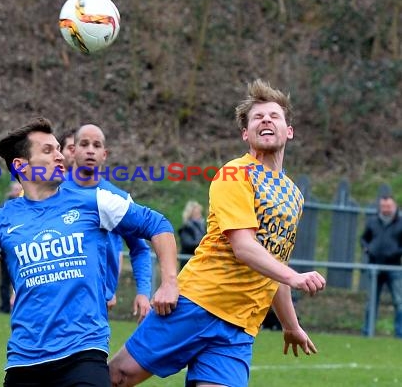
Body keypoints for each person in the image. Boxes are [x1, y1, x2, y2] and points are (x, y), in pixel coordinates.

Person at [109, 79, 326, 387]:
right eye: (257, 117)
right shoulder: (235, 173)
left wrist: (291, 325)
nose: (266, 120)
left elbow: (272, 263)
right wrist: (294, 276)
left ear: (289, 131)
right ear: (246, 134)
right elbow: (244, 247)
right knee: (118, 376)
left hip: (239, 326)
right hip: (199, 303)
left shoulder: (293, 195)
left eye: (274, 116)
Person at [0, 117, 178, 387]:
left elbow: (158, 225)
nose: (60, 156)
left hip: (83, 354)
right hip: (24, 361)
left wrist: (168, 282)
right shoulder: (0, 220)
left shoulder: (95, 202)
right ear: (21, 165)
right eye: (48, 151)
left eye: (59, 149)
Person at [64, 124, 152, 321]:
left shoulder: (117, 199)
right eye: (84, 144)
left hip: (97, 305)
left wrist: (144, 292)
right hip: (54, 301)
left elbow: (140, 249)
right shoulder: (51, 193)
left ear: (104, 154)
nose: (90, 150)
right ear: (72, 150)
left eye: (96, 146)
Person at [360, 195, 402, 338]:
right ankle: (367, 332)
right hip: (374, 267)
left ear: (394, 206)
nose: (386, 209)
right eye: (383, 206)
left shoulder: (400, 223)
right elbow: (364, 239)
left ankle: (399, 334)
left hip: (394, 268)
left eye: (388, 206)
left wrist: (395, 252)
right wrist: (367, 249)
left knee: (399, 302)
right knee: (371, 302)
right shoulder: (373, 222)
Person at [0, 181, 23, 313]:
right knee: (5, 281)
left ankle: (19, 306)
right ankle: (5, 307)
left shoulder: (26, 205)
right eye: (15, 189)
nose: (17, 191)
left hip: (22, 250)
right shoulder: (4, 208)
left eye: (19, 189)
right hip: (6, 253)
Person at [177, 200, 206, 270]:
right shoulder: (185, 228)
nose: (200, 215)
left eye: (199, 213)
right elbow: (188, 244)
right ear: (190, 214)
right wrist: (204, 243)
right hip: (188, 264)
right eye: (197, 213)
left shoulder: (202, 227)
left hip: (199, 263)